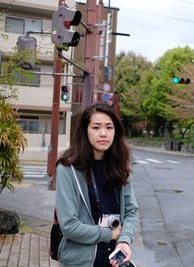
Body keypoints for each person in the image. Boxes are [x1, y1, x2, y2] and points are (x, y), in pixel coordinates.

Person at [55, 102, 138, 267]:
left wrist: (124, 240)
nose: (103, 133)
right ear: (85, 130)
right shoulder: (67, 168)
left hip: (115, 258)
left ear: (116, 131)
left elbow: (131, 211)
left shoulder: (120, 165)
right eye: (96, 127)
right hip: (81, 261)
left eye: (109, 127)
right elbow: (69, 226)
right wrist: (109, 234)